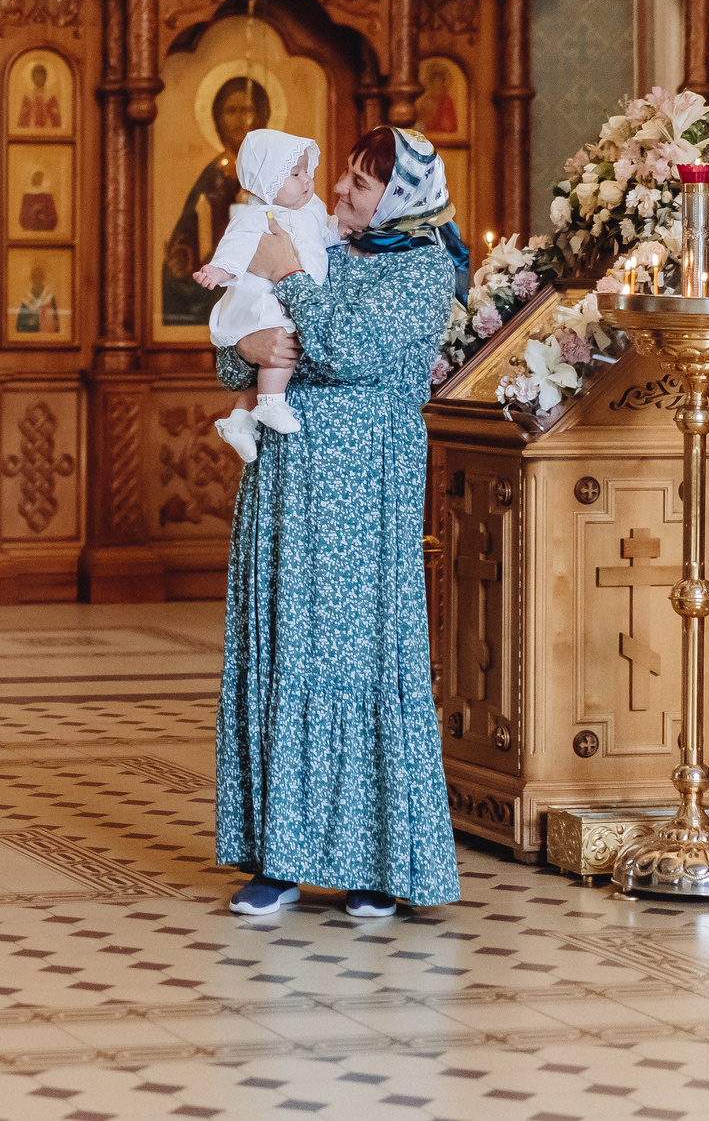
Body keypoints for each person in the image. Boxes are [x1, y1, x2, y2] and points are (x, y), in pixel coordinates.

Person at [211, 126, 466, 917]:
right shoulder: (318, 241)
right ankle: (278, 857)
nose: (347, 190)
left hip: (363, 492)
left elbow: (351, 347)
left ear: (400, 196)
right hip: (286, 486)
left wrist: (290, 282)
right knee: (286, 648)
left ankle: (376, 863)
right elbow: (238, 345)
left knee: (353, 658)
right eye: (348, 176)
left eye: (364, 181)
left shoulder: (425, 269)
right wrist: (251, 340)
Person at [194, 129, 332, 460]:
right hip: (266, 300)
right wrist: (220, 270)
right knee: (281, 342)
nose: (307, 181)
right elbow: (235, 249)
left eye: (307, 172)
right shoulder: (257, 216)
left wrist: (337, 230)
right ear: (266, 181)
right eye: (295, 174)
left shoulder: (309, 209)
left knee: (281, 349)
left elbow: (323, 232)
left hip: (287, 295)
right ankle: (270, 404)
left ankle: (240, 422)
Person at [162, 76, 269, 327]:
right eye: (231, 110)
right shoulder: (212, 175)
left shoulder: (272, 171)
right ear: (217, 119)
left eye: (248, 109)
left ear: (262, 115)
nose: (240, 119)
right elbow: (186, 238)